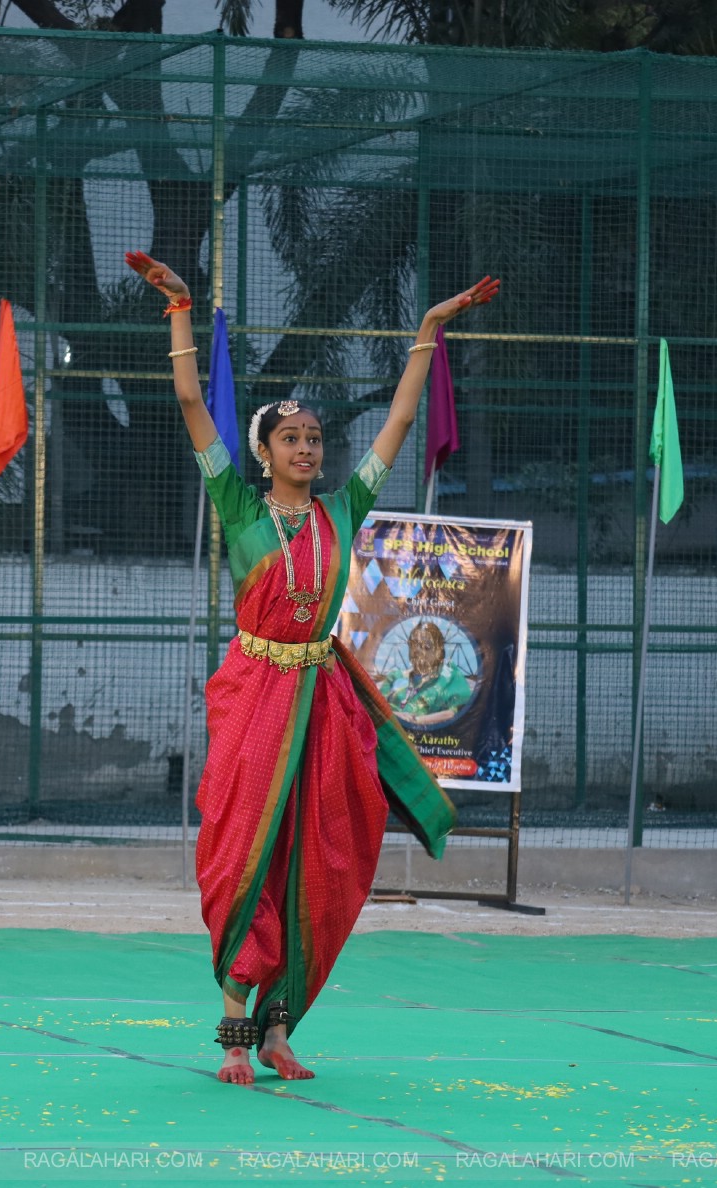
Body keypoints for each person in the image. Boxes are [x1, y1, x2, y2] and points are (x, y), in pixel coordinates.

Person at [123, 249, 498, 1086]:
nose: (307, 448)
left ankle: (280, 1027)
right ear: (263, 451)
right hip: (255, 693)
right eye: (291, 438)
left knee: (320, 856)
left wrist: (428, 333)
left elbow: (399, 426)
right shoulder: (237, 503)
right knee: (241, 849)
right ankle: (231, 1028)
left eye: (315, 438)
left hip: (323, 698)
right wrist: (180, 310)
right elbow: (189, 399)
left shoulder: (343, 508)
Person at [384, 620, 474, 721]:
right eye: (413, 644)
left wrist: (416, 721)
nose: (418, 650)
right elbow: (375, 709)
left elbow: (455, 712)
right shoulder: (395, 677)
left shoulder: (450, 677)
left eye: (426, 647)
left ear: (438, 652)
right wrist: (395, 716)